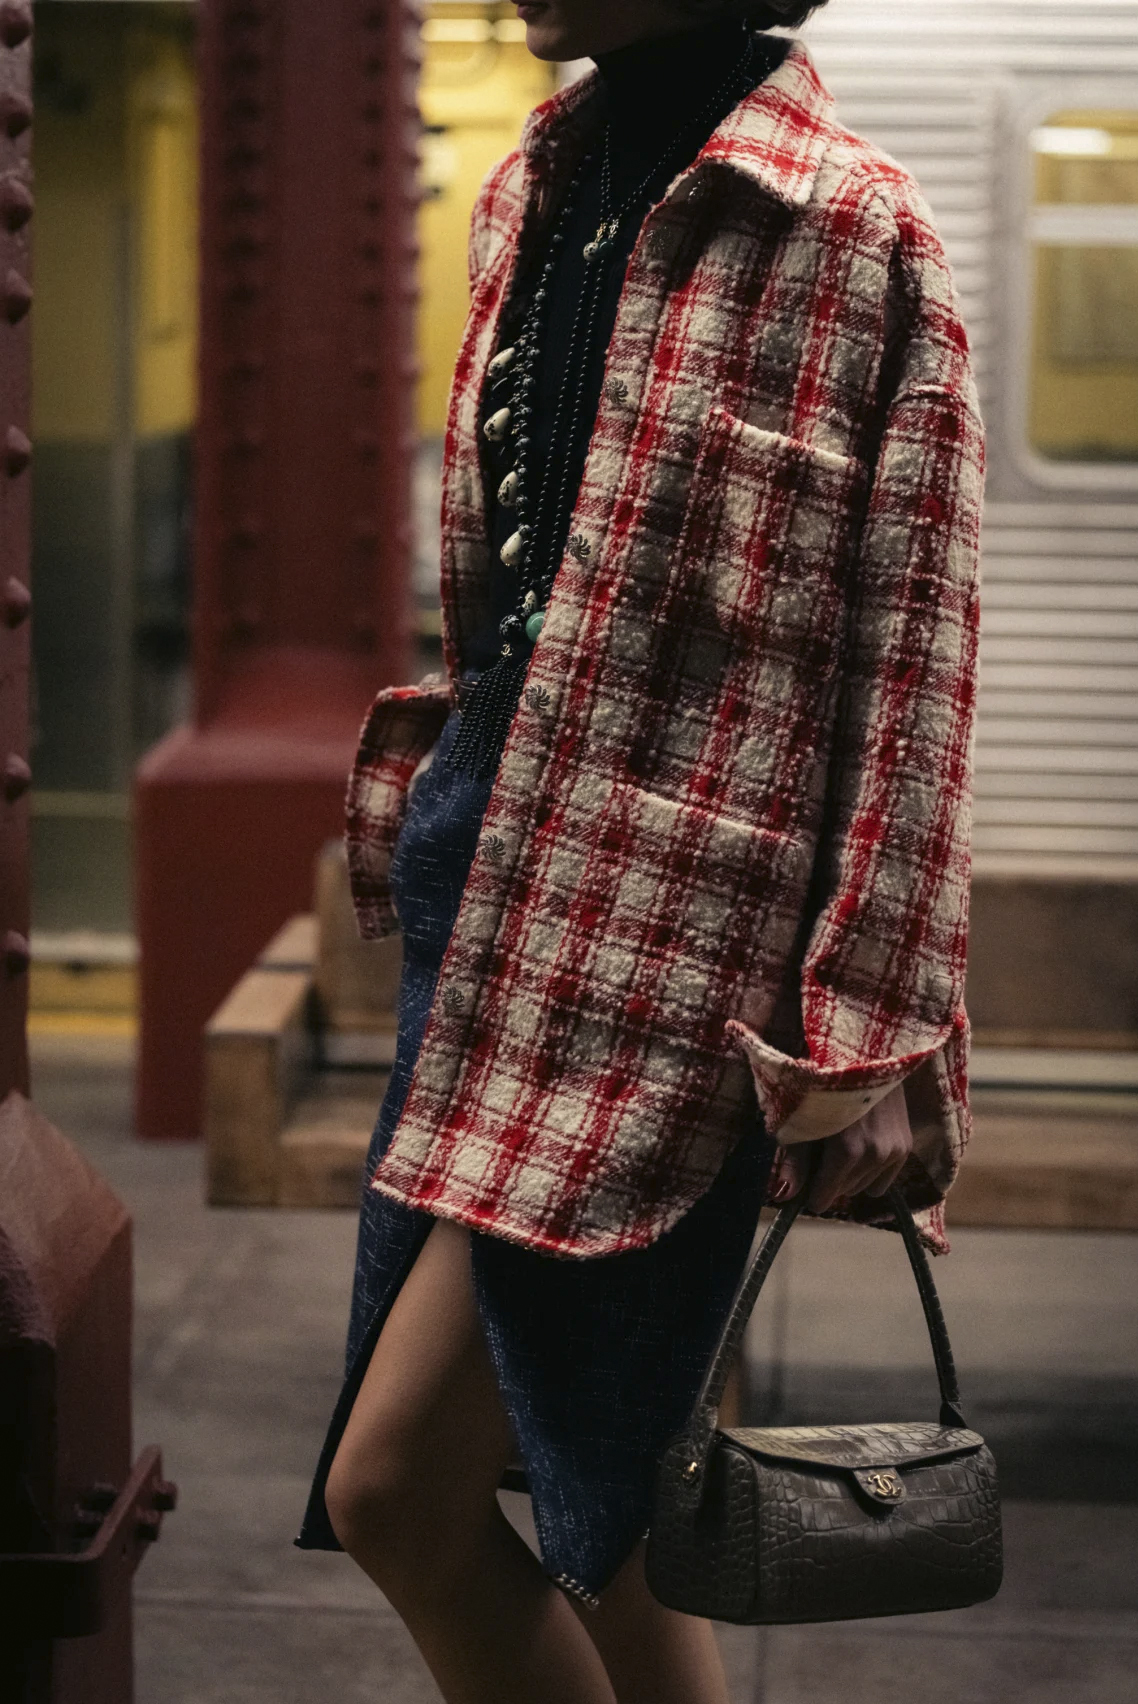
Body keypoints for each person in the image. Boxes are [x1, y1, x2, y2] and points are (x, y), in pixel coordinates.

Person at [297, 2, 984, 1700]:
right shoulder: (533, 186)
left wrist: (868, 1029)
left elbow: (912, 670)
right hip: (488, 893)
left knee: (397, 1491)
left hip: (672, 958)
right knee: (600, 1512)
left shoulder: (853, 232)